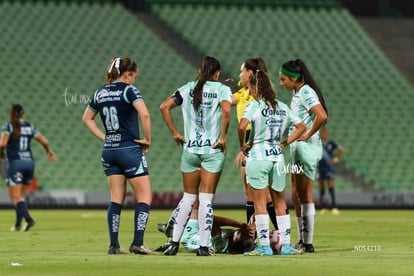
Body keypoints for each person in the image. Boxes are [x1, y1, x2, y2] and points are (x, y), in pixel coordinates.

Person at [159, 56, 232, 256]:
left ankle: (174, 244)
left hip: (190, 150)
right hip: (211, 151)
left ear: (201, 71)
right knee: (206, 199)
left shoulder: (187, 88)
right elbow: (227, 110)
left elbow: (164, 107)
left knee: (189, 197)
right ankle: (203, 246)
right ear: (216, 73)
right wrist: (223, 137)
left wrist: (175, 133)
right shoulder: (221, 90)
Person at [82, 57, 153, 255]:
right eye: (134, 76)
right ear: (128, 74)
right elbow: (145, 114)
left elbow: (87, 118)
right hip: (129, 149)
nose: (134, 81)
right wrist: (147, 139)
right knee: (145, 196)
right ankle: (138, 242)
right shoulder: (129, 90)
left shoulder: (100, 92)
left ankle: (114, 245)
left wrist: (104, 137)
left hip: (109, 150)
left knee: (116, 198)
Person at [239, 71, 306, 256]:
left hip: (259, 157)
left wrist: (243, 145)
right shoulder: (283, 107)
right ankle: (285, 246)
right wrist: (285, 142)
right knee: (280, 203)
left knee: (259, 204)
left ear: (254, 88)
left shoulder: (254, 106)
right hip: (277, 157)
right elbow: (302, 126)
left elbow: (242, 125)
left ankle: (264, 247)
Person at [279, 59, 328, 253]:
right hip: (298, 148)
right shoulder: (297, 92)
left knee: (304, 194)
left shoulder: (306, 91)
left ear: (294, 78)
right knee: (296, 193)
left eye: (283, 79)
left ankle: (307, 242)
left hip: (306, 149)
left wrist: (307, 134)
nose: (282, 83)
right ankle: (301, 239)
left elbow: (321, 116)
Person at [232, 57, 278, 231]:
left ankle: (274, 236)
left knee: (262, 194)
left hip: (255, 140)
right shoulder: (245, 92)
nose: (239, 74)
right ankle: (256, 235)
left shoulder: (255, 96)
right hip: (251, 140)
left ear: (250, 73)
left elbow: (251, 124)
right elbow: (227, 101)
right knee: (251, 192)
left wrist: (246, 147)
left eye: (242, 70)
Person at [0, 104, 57, 232]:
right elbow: (44, 141)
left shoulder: (8, 126)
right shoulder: (29, 126)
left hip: (15, 163)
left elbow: (2, 144)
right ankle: (18, 225)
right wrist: (49, 151)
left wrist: (1, 155)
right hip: (29, 163)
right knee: (21, 196)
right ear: (23, 115)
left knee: (15, 197)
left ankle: (28, 219)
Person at [156, 202, 255, 255]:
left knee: (194, 200)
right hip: (201, 233)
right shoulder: (240, 246)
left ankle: (170, 229)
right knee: (197, 204)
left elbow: (212, 220)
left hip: (191, 237)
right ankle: (173, 231)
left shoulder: (221, 245)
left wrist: (240, 225)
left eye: (240, 232)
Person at [318, 127, 344, 215]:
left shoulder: (331, 143)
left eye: (327, 133)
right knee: (321, 188)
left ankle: (334, 207)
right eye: (324, 133)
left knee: (330, 186)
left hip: (329, 168)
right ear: (322, 134)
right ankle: (323, 207)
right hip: (320, 167)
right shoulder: (318, 143)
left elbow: (341, 150)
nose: (326, 135)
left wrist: (335, 160)